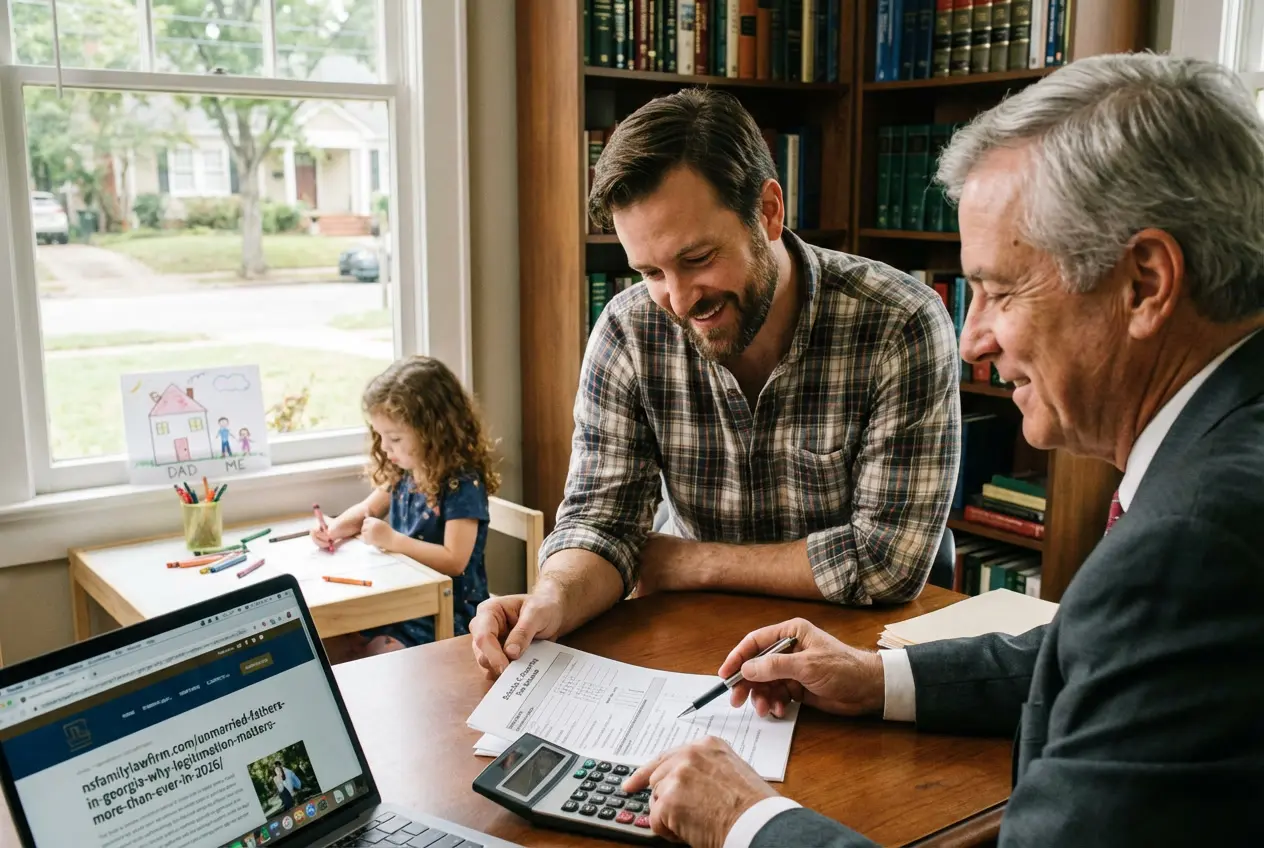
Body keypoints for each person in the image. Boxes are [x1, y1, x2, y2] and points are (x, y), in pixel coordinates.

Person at [614, 52, 1264, 848]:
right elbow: (1103, 657)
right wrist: (876, 678)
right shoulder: (1222, 464)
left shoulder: (1193, 548)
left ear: (1146, 282)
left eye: (1000, 290)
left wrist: (745, 819)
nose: (972, 340)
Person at [472, 89, 961, 676]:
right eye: (651, 272)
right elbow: (600, 523)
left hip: (852, 655)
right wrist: (551, 598)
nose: (678, 301)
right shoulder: (629, 330)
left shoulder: (899, 321)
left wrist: (685, 562)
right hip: (694, 651)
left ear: (769, 211)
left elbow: (886, 562)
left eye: (698, 258)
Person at [315, 355, 500, 662]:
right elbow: (366, 510)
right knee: (327, 642)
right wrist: (334, 529)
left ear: (433, 432)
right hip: (401, 601)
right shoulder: (404, 473)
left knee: (372, 657)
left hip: (445, 612)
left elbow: (455, 560)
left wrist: (392, 541)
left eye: (395, 438)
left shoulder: (462, 485)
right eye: (380, 436)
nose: (385, 447)